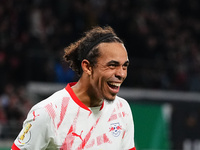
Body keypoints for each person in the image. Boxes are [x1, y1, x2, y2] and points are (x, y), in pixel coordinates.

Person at [11, 26, 136, 150]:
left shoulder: (122, 109)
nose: (121, 74)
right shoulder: (48, 113)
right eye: (112, 65)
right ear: (87, 67)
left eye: (124, 66)